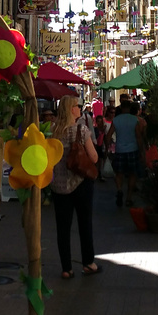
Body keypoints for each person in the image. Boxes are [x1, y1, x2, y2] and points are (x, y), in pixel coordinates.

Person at [50, 96, 100, 278]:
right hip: (80, 183)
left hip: (59, 185)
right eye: (77, 106)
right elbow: (93, 157)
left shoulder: (53, 131)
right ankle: (88, 263)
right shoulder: (81, 130)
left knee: (62, 228)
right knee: (84, 223)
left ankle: (66, 268)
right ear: (71, 109)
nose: (80, 109)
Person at [107, 99, 144, 207]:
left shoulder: (116, 120)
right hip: (133, 149)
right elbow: (138, 136)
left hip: (119, 149)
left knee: (119, 173)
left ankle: (119, 189)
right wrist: (141, 150)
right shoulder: (134, 120)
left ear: (121, 108)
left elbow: (109, 135)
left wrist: (107, 146)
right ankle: (128, 197)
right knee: (132, 174)